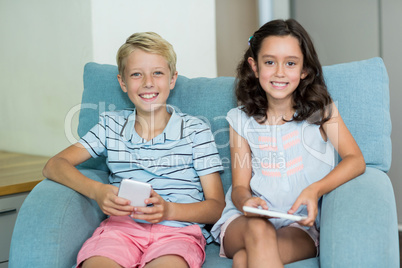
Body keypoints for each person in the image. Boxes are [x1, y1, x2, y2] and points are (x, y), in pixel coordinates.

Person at [43, 32, 225, 268]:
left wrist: (168, 210)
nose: (148, 82)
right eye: (137, 74)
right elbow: (54, 165)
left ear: (172, 79)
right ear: (123, 83)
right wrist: (97, 191)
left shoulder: (195, 130)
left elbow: (217, 207)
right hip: (119, 232)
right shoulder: (111, 125)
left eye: (157, 73)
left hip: (177, 235)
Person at [210, 19, 366, 268]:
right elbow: (240, 186)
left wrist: (315, 190)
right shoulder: (240, 120)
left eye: (290, 63)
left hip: (299, 224)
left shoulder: (322, 111)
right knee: (259, 231)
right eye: (270, 62)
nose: (280, 72)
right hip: (246, 221)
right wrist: (246, 203)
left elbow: (355, 160)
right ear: (255, 66)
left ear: (304, 70)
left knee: (243, 260)